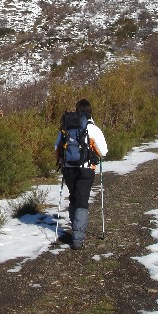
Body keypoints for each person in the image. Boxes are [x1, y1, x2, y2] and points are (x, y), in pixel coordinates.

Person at [55, 98, 108, 250]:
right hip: (86, 169)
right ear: (90, 112)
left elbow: (56, 148)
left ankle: (75, 231)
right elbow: (103, 151)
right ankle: (78, 239)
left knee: (73, 198)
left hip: (68, 168)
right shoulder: (93, 129)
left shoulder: (66, 127)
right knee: (82, 201)